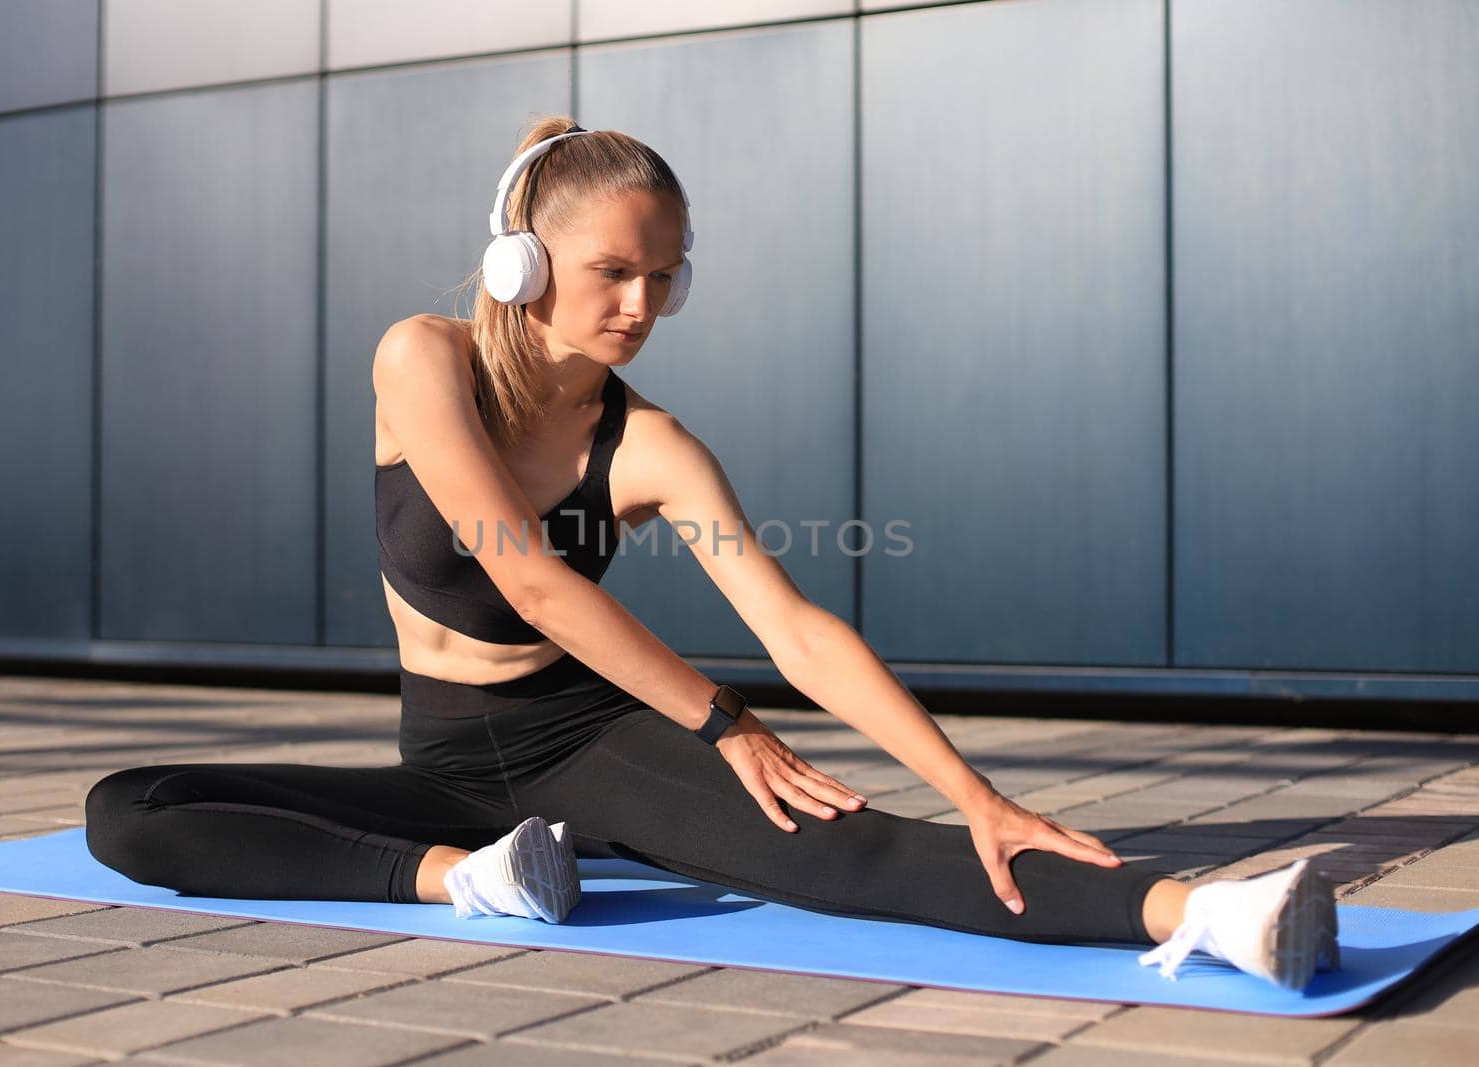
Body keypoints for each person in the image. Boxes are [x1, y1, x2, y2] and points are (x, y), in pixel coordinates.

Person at [85, 117, 1340, 992]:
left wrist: (978, 794)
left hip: (586, 742)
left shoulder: (653, 447)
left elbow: (796, 626)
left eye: (664, 277)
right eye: (612, 270)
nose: (639, 304)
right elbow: (525, 574)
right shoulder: (423, 357)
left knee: (843, 851)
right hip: (444, 769)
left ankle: (1214, 915)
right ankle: (472, 881)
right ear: (519, 260)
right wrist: (726, 717)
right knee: (131, 811)